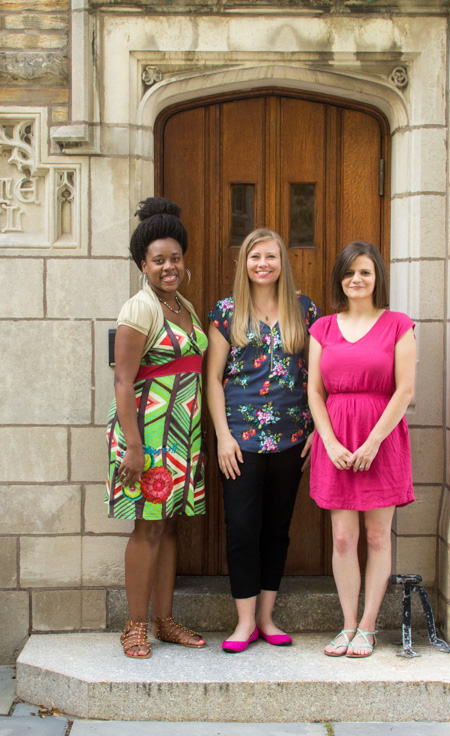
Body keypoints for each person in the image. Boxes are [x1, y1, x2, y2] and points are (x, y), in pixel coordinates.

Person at [205, 229, 319, 653]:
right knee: (241, 530)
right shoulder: (226, 312)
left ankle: (267, 619)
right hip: (240, 442)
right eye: (255, 256)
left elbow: (317, 377)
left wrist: (315, 432)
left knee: (277, 530)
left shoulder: (304, 310)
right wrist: (221, 436)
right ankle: (244, 622)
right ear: (245, 263)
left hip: (291, 439)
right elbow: (213, 379)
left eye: (271, 256)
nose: (263, 264)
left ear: (282, 263)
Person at [107, 197, 208, 659]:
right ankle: (135, 627)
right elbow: (123, 380)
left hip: (181, 436)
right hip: (146, 436)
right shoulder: (139, 309)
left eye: (175, 258)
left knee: (168, 529)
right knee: (146, 529)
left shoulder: (183, 306)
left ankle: (165, 621)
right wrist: (133, 446)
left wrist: (196, 442)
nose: (169, 266)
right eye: (158, 260)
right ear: (142, 265)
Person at [307, 241, 416, 659]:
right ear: (340, 278)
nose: (357, 279)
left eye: (365, 272)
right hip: (336, 439)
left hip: (381, 441)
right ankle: (347, 624)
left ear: (377, 278)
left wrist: (372, 442)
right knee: (341, 537)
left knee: (376, 535)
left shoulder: (398, 325)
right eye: (350, 272)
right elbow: (314, 391)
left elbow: (405, 390)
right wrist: (330, 441)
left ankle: (369, 627)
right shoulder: (324, 329)